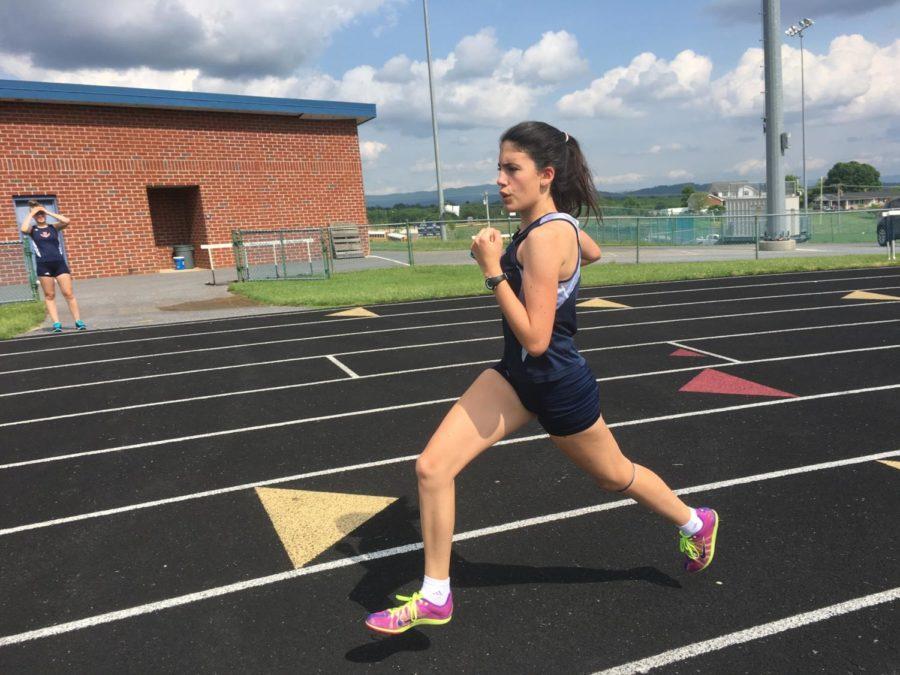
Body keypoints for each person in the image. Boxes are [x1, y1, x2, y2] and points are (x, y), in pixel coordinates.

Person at [365, 122, 719, 635]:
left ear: (546, 174)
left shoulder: (543, 239)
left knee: (613, 476)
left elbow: (535, 337)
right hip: (515, 376)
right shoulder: (557, 227)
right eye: (500, 168)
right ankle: (436, 594)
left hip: (555, 382)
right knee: (432, 468)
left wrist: (491, 270)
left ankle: (694, 521)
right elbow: (591, 252)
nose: (501, 180)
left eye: (513, 170)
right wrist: (569, 250)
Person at [20, 200, 86, 332]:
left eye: (41, 213)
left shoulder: (53, 227)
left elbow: (66, 221)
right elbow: (23, 229)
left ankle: (78, 321)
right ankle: (56, 324)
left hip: (59, 264)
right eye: (37, 214)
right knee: (49, 295)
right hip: (43, 266)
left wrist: (47, 211)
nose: (40, 216)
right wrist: (31, 213)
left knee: (68, 293)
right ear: (33, 216)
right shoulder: (33, 229)